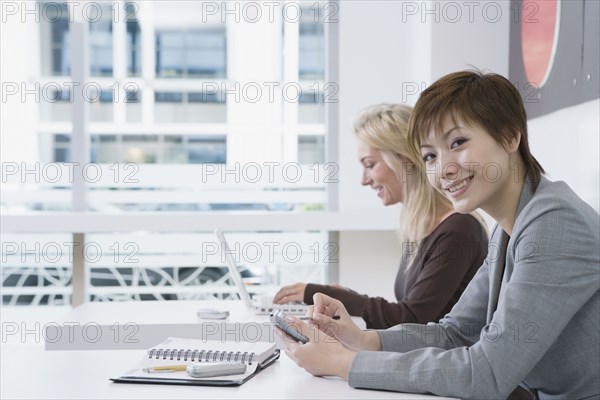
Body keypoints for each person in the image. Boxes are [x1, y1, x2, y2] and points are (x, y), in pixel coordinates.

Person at [276, 71, 600, 399]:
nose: (442, 168)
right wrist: (364, 341)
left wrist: (344, 363)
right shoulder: (509, 227)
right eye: (430, 155)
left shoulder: (554, 223)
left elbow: (485, 373)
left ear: (509, 135)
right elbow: (454, 334)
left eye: (457, 143)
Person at [273, 103, 489, 329]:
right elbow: (409, 311)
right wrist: (346, 297)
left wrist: (328, 295)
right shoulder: (420, 226)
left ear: (406, 160)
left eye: (370, 165)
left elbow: (411, 319)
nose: (364, 180)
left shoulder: (459, 230)